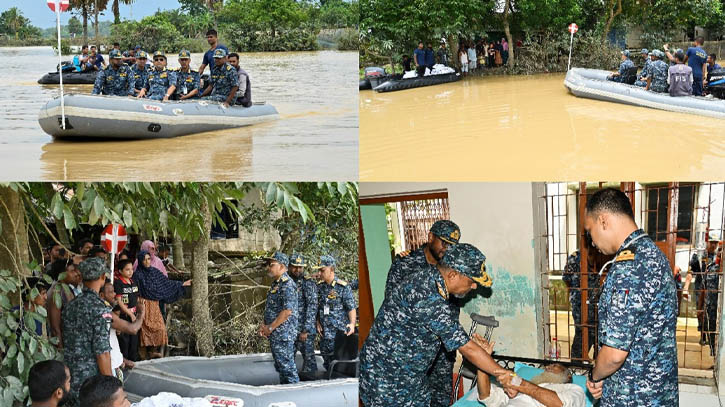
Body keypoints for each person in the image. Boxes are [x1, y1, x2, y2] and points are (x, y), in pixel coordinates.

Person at [360, 243, 512, 407]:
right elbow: (467, 349)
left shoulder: (430, 279)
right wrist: (505, 375)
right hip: (387, 382)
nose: (474, 286)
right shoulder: (427, 295)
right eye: (471, 281)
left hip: (410, 378)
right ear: (453, 275)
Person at [582, 188, 678, 406]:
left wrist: (595, 376)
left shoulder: (628, 268)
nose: (592, 242)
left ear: (603, 220)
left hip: (632, 398)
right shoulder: (654, 255)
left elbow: (615, 354)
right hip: (659, 395)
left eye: (590, 231)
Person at [383, 220, 469, 407]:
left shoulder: (452, 268)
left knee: (441, 399)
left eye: (452, 245)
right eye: (443, 243)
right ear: (430, 237)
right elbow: (392, 308)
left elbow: (454, 304)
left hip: (441, 351)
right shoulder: (404, 266)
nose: (447, 249)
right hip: (412, 352)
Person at [61, 257, 114, 407]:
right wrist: (110, 388)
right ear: (103, 277)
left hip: (70, 377)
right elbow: (102, 353)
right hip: (91, 381)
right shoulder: (100, 309)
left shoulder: (71, 305)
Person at [134, 250, 190, 359]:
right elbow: (135, 291)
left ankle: (153, 351)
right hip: (143, 305)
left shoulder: (155, 272)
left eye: (148, 259)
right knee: (144, 331)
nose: (147, 262)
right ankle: (143, 355)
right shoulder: (137, 275)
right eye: (144, 259)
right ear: (140, 261)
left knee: (160, 329)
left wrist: (182, 284)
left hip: (154, 306)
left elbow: (166, 283)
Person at [259, 252, 299, 384]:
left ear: (282, 266)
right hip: (275, 333)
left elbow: (287, 311)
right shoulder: (276, 284)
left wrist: (270, 328)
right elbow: (272, 309)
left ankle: (295, 395)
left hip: (283, 334)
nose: (268, 268)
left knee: (288, 369)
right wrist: (264, 326)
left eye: (271, 265)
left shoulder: (287, 285)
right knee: (281, 368)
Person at [315, 255, 356, 371]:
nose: (320, 273)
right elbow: (318, 307)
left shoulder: (342, 287)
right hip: (324, 335)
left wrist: (352, 324)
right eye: (319, 270)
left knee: (339, 367)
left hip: (339, 334)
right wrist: (317, 321)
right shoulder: (319, 287)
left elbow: (351, 308)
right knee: (328, 366)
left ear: (331, 269)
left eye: (322, 270)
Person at [562, 248, 599, 360]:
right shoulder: (575, 258)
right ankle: (577, 365)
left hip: (599, 307)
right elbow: (566, 279)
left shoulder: (606, 255)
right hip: (580, 306)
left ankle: (597, 368)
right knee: (581, 335)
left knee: (600, 338)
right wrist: (576, 295)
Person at [288, 253, 318, 377]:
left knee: (309, 361)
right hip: (289, 330)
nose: (298, 270)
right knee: (287, 360)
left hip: (303, 331)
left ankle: (312, 385)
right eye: (295, 267)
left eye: (300, 267)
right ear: (289, 266)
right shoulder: (285, 282)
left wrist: (305, 330)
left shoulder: (308, 283)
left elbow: (312, 307)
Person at [47, 259, 82, 347]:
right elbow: (55, 327)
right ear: (61, 275)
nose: (76, 273)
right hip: (64, 346)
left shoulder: (67, 289)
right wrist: (61, 350)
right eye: (72, 271)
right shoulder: (56, 292)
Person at [114, 259, 140, 361]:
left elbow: (136, 297)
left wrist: (137, 312)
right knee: (125, 341)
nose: (130, 272)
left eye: (131, 269)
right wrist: (130, 314)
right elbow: (119, 302)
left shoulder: (133, 282)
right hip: (124, 316)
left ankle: (133, 359)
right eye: (127, 270)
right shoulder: (118, 283)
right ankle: (124, 361)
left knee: (134, 340)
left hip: (134, 314)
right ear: (120, 271)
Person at [704, 241, 722, 356]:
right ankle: (714, 356)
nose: (721, 252)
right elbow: (703, 288)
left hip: (721, 310)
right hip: (710, 307)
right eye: (720, 249)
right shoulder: (710, 268)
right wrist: (701, 306)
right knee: (710, 331)